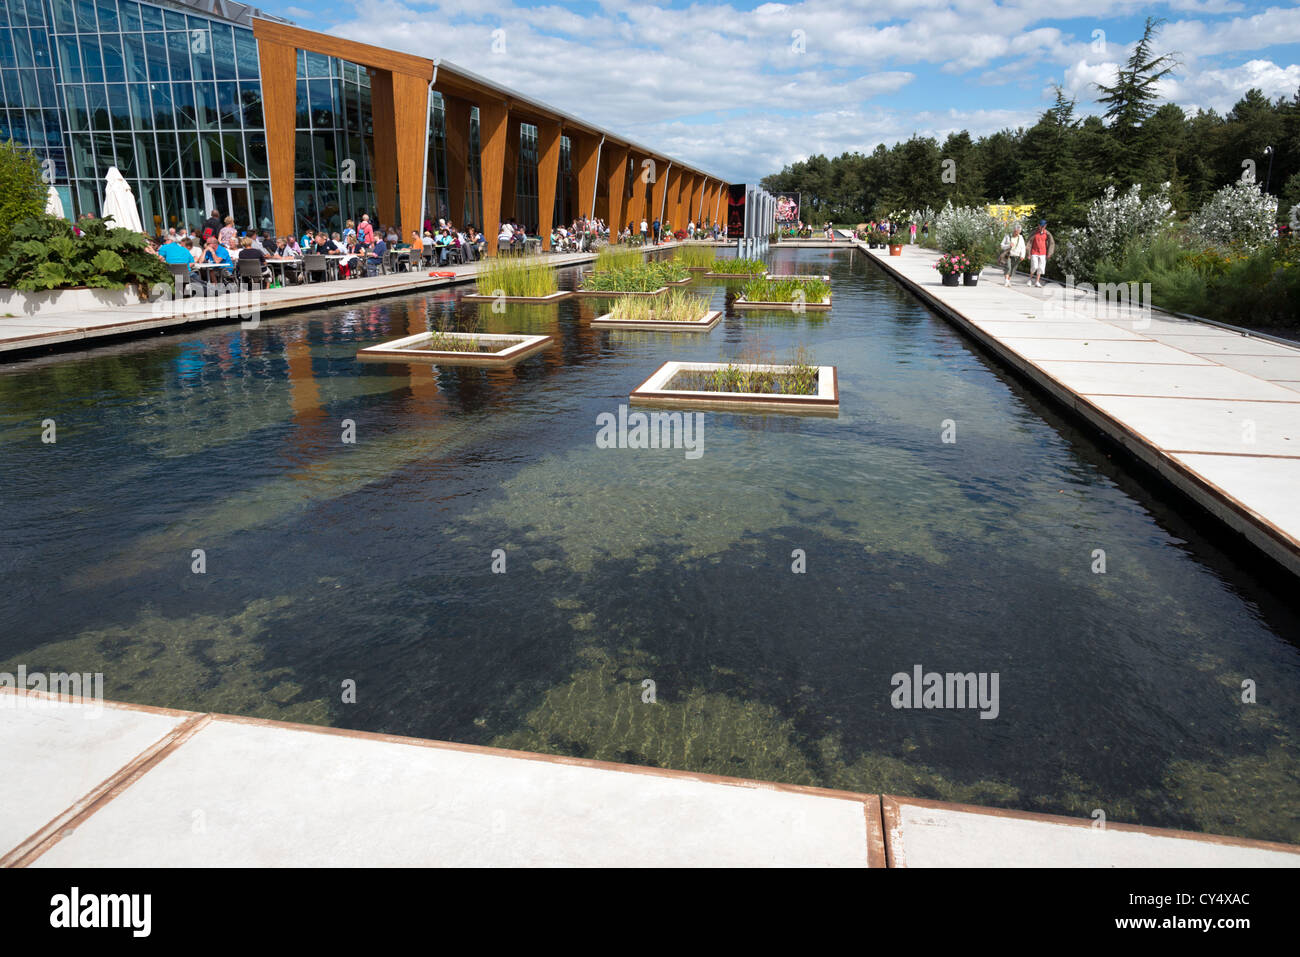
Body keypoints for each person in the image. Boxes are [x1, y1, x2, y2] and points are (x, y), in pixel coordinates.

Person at [1027, 219, 1055, 287]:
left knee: (1041, 268)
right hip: (1034, 252)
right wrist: (1028, 254)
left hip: (1043, 253)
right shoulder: (1034, 233)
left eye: (1043, 226)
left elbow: (1051, 243)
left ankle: (1037, 281)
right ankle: (1030, 279)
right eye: (1041, 226)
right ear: (1038, 225)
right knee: (1034, 266)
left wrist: (1049, 253)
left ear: (1045, 226)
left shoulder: (1047, 234)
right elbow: (1029, 243)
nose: (1042, 227)